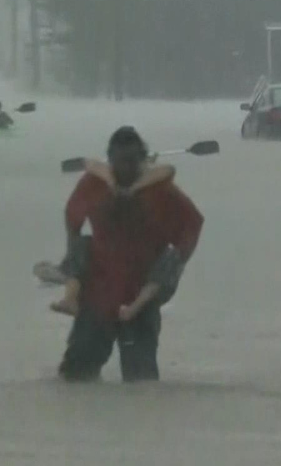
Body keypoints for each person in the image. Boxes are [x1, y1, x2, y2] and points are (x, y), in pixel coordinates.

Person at [56, 126, 204, 383]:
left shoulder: (161, 192)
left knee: (140, 381)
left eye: (131, 162)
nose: (125, 167)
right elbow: (72, 219)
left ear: (142, 161)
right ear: (110, 160)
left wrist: (173, 264)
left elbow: (193, 223)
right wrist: (76, 258)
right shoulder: (95, 184)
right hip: (98, 295)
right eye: (120, 162)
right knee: (76, 377)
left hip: (140, 299)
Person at [40, 159, 177, 316]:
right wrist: (113, 178)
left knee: (167, 256)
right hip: (116, 254)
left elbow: (168, 169)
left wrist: (133, 180)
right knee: (82, 244)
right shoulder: (114, 183)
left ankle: (135, 307)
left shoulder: (150, 185)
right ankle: (70, 300)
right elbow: (92, 165)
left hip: (140, 257)